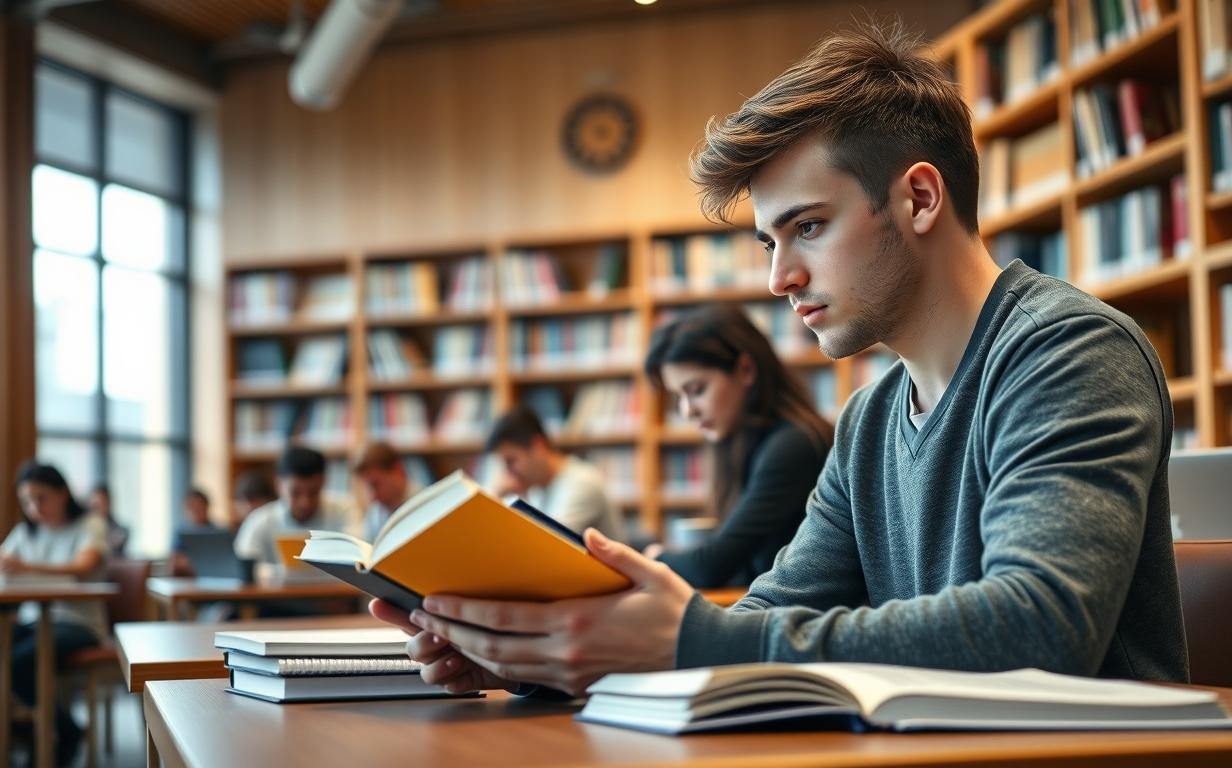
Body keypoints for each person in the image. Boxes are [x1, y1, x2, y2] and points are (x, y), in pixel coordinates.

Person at [373, 21, 1187, 697]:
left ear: (920, 198)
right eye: (771, 240)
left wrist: (693, 637)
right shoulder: (870, 418)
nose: (778, 276)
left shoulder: (1068, 352)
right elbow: (775, 611)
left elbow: (1041, 626)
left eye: (807, 227)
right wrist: (546, 653)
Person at [640, 304, 831, 587]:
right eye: (677, 397)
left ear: (745, 369)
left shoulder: (793, 445)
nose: (686, 411)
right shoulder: (742, 442)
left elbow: (711, 567)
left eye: (696, 391)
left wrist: (655, 557)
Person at [3, 462, 109, 763]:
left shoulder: (90, 524)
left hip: (79, 624)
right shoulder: (27, 532)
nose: (34, 507)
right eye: (26, 501)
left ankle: (64, 729)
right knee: (8, 652)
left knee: (18, 661)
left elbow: (83, 568)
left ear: (63, 493)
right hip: (35, 620)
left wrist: (25, 568)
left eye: (41, 497)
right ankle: (20, 727)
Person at [483, 405, 625, 542]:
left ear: (538, 446)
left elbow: (544, 547)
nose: (508, 474)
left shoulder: (582, 483)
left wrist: (494, 499)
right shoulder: (536, 488)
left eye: (511, 461)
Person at [234, 446, 356, 564]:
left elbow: (357, 560)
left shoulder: (344, 511)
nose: (305, 503)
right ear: (278, 485)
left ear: (324, 483)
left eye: (313, 492)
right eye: (295, 493)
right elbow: (245, 568)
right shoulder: (259, 521)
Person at [353, 441, 419, 542]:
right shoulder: (375, 513)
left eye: (375, 484)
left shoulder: (427, 506)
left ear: (397, 470)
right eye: (366, 488)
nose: (372, 497)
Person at [170, 487, 224, 577]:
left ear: (207, 507)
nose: (195, 511)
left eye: (199, 506)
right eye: (191, 507)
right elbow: (174, 565)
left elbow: (222, 563)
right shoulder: (181, 532)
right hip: (187, 581)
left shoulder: (219, 532)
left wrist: (190, 562)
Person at [87, 483, 129, 557]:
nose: (96, 510)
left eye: (100, 504)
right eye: (94, 506)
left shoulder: (120, 531)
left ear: (109, 503)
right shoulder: (83, 529)